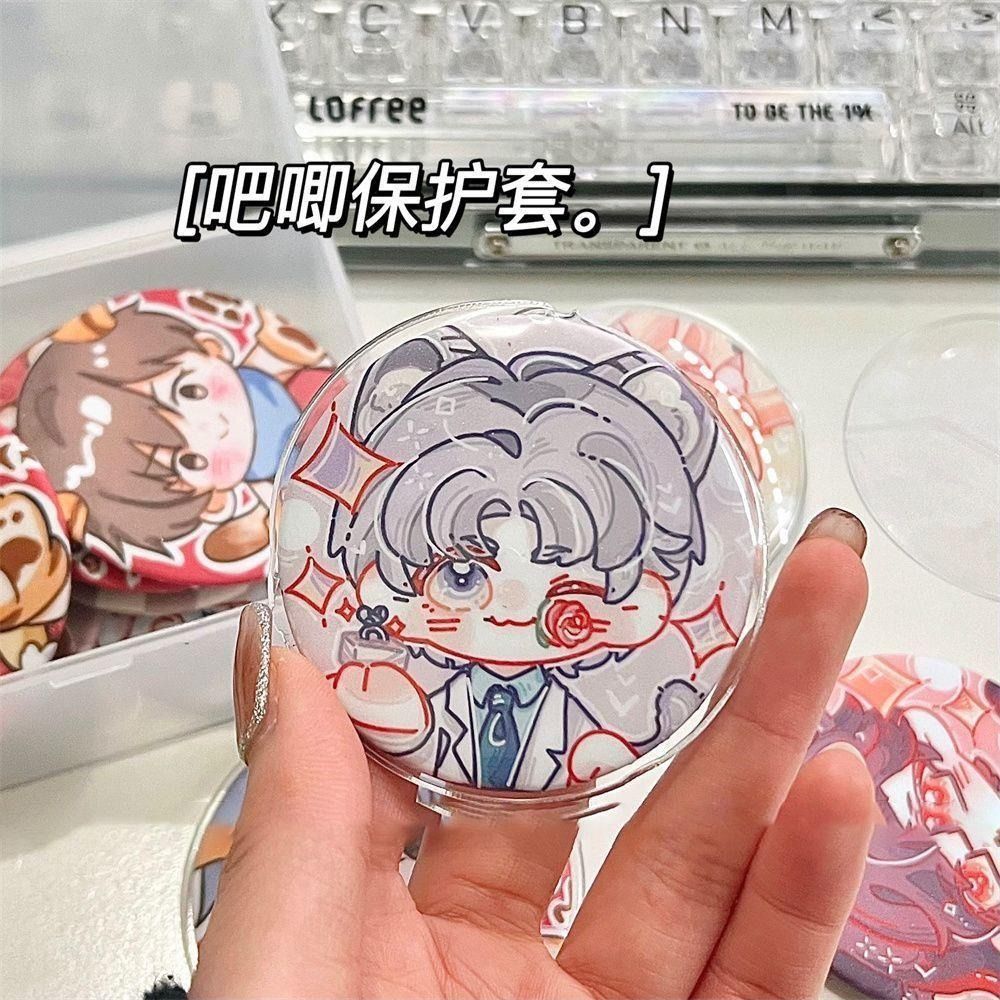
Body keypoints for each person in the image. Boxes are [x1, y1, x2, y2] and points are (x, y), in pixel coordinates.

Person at [184, 507, 880, 1000]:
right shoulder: (403, 685)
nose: (513, 612)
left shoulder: (596, 714)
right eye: (462, 576)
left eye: (569, 582)